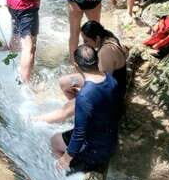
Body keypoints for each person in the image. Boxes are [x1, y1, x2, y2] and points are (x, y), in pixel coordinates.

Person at [35, 20, 127, 123]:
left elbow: (101, 85)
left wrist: (82, 93)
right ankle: (83, 112)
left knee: (66, 109)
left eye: (86, 41)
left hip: (112, 97)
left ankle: (35, 121)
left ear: (96, 38)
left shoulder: (106, 52)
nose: (84, 44)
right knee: (64, 82)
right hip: (106, 85)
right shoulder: (108, 37)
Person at [49, 45, 120, 173]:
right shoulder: (111, 80)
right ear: (97, 60)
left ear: (76, 65)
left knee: (54, 141)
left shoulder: (84, 97)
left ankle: (66, 173)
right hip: (111, 139)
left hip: (95, 149)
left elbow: (79, 134)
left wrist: (65, 158)